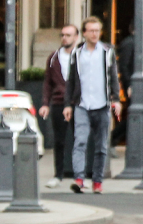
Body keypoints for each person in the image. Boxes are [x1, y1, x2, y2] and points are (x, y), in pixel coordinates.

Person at [64, 17, 121, 194]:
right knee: (80, 142)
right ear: (85, 33)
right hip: (82, 104)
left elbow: (113, 77)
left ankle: (97, 181)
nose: (95, 34)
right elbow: (71, 80)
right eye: (92, 30)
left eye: (97, 30)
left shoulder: (107, 51)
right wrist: (68, 104)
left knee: (101, 145)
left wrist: (116, 99)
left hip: (102, 104)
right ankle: (80, 179)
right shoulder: (77, 53)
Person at [39, 24, 78, 188]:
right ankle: (58, 174)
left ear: (76, 37)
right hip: (58, 103)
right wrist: (45, 104)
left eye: (68, 35)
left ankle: (79, 175)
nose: (65, 38)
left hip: (78, 103)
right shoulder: (53, 58)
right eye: (62, 35)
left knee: (79, 139)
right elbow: (48, 82)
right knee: (59, 140)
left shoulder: (82, 56)